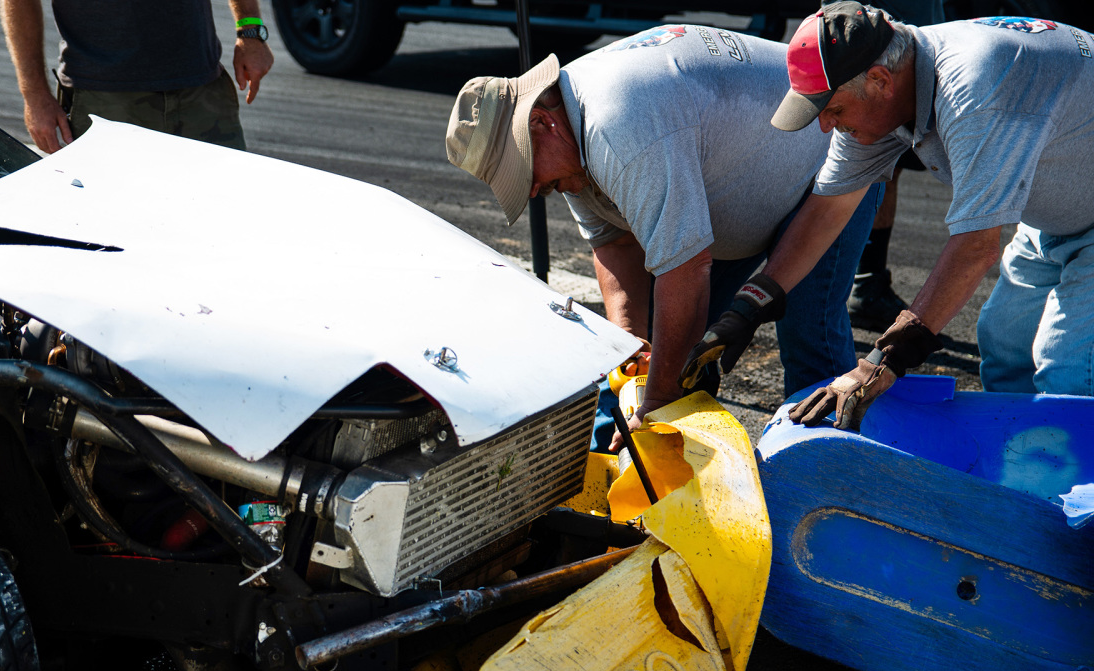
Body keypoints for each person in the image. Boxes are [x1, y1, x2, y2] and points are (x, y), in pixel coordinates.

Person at [444, 25, 881, 450]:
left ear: (540, 122)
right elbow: (614, 243)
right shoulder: (569, 139)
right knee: (663, 352)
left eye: (524, 174)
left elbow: (687, 270)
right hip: (734, 188)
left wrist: (654, 403)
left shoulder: (617, 126)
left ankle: (833, 484)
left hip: (831, 159)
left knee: (810, 339)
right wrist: (632, 351)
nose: (534, 190)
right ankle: (645, 476)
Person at [687, 2, 1094, 430]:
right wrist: (748, 308)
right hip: (1057, 216)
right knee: (1005, 343)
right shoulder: (883, 96)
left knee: (1067, 368)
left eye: (833, 110)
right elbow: (828, 209)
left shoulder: (974, 90)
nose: (825, 126)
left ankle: (1073, 487)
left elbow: (975, 248)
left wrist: (878, 366)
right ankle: (1026, 480)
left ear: (881, 80)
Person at [0, 0, 273, 153]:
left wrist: (250, 28)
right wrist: (34, 95)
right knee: (109, 235)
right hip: (106, 103)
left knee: (223, 223)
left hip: (202, 91)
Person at [848, 0, 945, 332]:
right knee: (866, 161)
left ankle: (868, 280)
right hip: (876, 32)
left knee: (888, 166)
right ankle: (857, 281)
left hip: (918, 34)